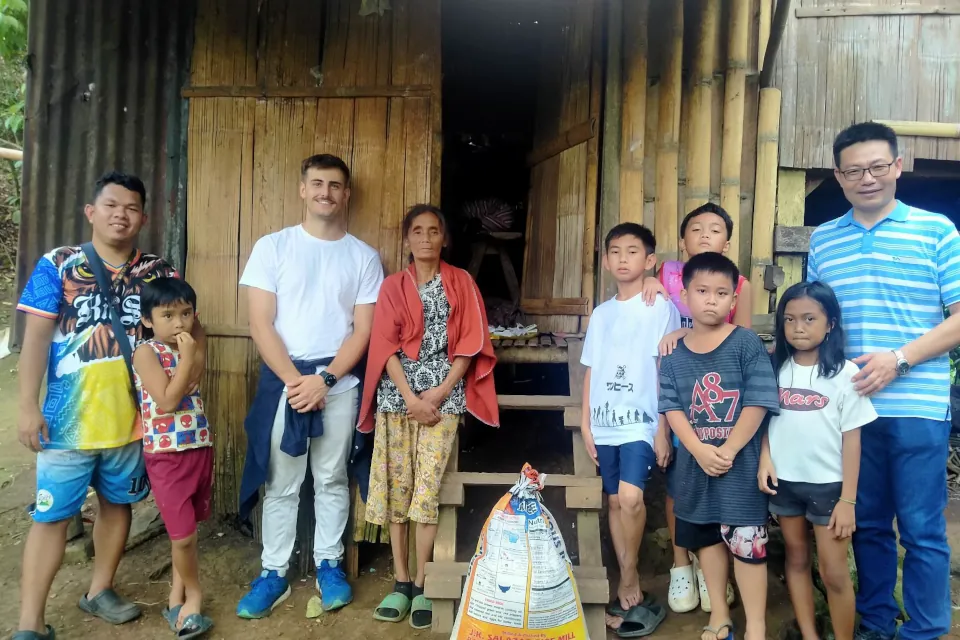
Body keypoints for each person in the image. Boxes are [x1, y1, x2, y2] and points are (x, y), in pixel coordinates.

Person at [14, 171, 205, 640]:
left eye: (131, 207)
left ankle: (100, 589)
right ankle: (30, 623)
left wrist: (189, 367)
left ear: (143, 217)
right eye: (112, 205)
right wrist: (26, 406)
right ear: (91, 212)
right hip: (67, 421)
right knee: (52, 515)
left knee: (117, 505)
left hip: (137, 420)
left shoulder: (159, 272)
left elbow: (192, 329)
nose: (121, 214)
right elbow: (35, 340)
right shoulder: (58, 264)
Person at [806, 121, 960, 640]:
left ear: (898, 166)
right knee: (865, 525)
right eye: (854, 170)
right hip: (850, 413)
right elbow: (814, 322)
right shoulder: (824, 241)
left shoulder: (936, 230)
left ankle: (925, 630)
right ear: (838, 175)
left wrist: (901, 358)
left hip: (917, 405)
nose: (866, 178)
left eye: (877, 166)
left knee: (921, 530)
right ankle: (875, 624)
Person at [236, 154, 384, 619]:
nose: (326, 192)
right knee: (281, 482)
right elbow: (260, 324)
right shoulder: (273, 247)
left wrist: (324, 380)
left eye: (335, 185)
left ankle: (329, 565)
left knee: (332, 476)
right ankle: (274, 572)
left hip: (336, 383)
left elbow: (363, 331)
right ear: (302, 189)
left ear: (346, 194)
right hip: (285, 382)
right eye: (317, 183)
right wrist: (295, 382)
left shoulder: (363, 256)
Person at [358, 204, 499, 630]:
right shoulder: (391, 287)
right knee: (397, 489)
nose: (424, 238)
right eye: (416, 231)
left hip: (444, 399)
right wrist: (409, 397)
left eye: (433, 230)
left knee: (426, 489)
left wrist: (436, 394)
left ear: (444, 239)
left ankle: (422, 582)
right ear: (406, 240)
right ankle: (400, 581)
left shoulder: (462, 282)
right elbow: (383, 345)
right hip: (396, 395)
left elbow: (470, 342)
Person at [658, 252, 780, 640]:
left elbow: (759, 400)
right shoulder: (674, 357)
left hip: (740, 469)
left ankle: (756, 626)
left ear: (733, 299)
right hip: (695, 468)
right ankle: (720, 616)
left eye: (721, 292)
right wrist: (696, 449)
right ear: (685, 294)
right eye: (702, 290)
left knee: (747, 545)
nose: (711, 299)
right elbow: (672, 407)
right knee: (706, 540)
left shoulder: (745, 344)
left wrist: (727, 449)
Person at [642, 202, 750, 614]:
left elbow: (743, 331)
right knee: (680, 483)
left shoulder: (738, 282)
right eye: (696, 228)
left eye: (716, 229)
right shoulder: (667, 276)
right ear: (683, 239)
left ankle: (712, 568)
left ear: (727, 240)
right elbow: (656, 315)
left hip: (720, 390)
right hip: (677, 386)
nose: (705, 235)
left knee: (718, 481)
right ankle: (680, 565)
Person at [758, 281, 876, 640]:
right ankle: (810, 634)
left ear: (831, 324)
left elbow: (852, 441)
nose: (798, 327)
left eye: (809, 318)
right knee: (795, 559)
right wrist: (765, 459)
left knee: (834, 573)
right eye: (790, 319)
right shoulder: (774, 370)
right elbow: (762, 421)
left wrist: (848, 500)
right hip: (785, 483)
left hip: (829, 487)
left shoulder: (845, 375)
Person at [580, 223, 678, 637]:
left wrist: (661, 427)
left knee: (633, 500)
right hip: (604, 422)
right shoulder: (601, 314)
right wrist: (585, 422)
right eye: (615, 252)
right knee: (616, 502)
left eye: (633, 252)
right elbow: (590, 371)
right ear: (605, 261)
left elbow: (664, 368)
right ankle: (626, 579)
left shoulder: (660, 307)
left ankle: (630, 575)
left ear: (649, 260)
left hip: (640, 420)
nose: (623, 259)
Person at [133, 277, 215, 638]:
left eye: (185, 314)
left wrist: (191, 352)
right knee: (181, 537)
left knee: (188, 531)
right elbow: (167, 401)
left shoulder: (190, 346)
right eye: (167, 315)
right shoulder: (145, 352)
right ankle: (194, 596)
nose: (179, 323)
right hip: (166, 456)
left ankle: (175, 597)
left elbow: (192, 380)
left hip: (198, 447)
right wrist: (186, 358)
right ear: (148, 320)